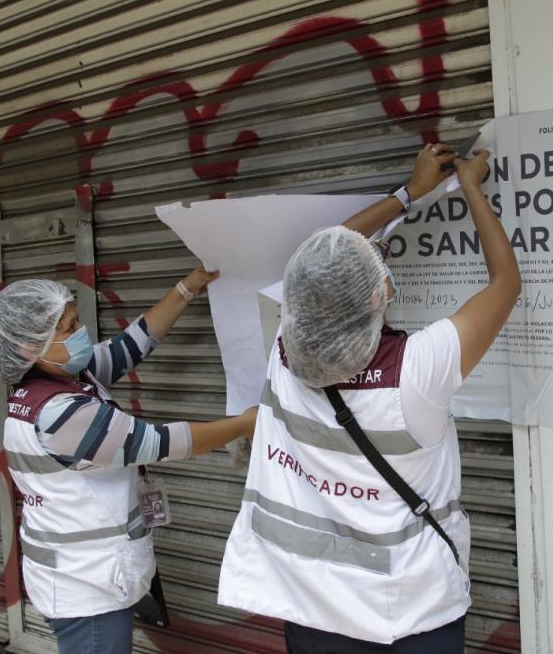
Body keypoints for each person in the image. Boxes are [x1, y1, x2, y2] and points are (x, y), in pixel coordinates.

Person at [217, 143, 521, 652]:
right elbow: (506, 283)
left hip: (312, 607)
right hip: (411, 613)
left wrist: (409, 193)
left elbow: (317, 260)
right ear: (382, 297)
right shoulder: (414, 372)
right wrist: (469, 185)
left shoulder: (284, 356)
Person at [0, 272, 256, 654]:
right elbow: (157, 443)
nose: (82, 331)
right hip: (85, 586)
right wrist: (244, 423)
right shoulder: (59, 414)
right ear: (30, 348)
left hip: (81, 576)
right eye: (70, 326)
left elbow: (130, 345)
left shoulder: (60, 379)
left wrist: (185, 289)